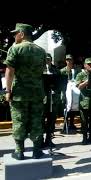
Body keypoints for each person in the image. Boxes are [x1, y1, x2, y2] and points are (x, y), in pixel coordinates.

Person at [4, 23, 46, 160]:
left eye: (16, 33)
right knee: (36, 121)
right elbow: (41, 72)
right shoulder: (41, 51)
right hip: (37, 93)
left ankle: (19, 151)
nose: (14, 35)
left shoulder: (15, 49)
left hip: (19, 93)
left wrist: (8, 90)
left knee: (19, 121)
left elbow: (9, 72)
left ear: (21, 34)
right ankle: (36, 150)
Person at [76, 58, 91, 144]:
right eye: (88, 64)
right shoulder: (80, 74)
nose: (90, 66)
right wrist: (88, 81)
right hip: (84, 101)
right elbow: (79, 87)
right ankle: (84, 138)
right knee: (84, 121)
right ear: (85, 65)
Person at [42, 53, 60, 148]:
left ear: (51, 60)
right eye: (45, 59)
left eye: (49, 59)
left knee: (52, 120)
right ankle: (40, 141)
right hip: (43, 98)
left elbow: (60, 83)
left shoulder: (56, 70)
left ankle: (49, 139)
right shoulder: (40, 70)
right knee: (41, 120)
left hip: (53, 98)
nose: (47, 61)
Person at [60, 54, 81, 131]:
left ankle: (71, 123)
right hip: (65, 91)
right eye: (67, 60)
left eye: (70, 60)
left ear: (72, 60)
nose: (69, 61)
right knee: (65, 107)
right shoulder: (62, 71)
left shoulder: (77, 70)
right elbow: (60, 82)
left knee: (73, 107)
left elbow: (79, 78)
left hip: (74, 92)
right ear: (65, 61)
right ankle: (65, 124)